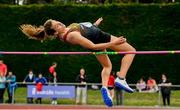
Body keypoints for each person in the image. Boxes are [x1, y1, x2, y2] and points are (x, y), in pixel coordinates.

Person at [20, 17, 136, 107]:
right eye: (57, 25)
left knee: (107, 67)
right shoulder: (71, 35)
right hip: (101, 39)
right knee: (131, 51)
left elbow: (85, 30)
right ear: (55, 33)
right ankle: (121, 78)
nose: (60, 23)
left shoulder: (68, 29)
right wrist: (113, 43)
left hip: (97, 36)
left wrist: (94, 25)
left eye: (58, 22)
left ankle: (104, 88)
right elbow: (93, 46)